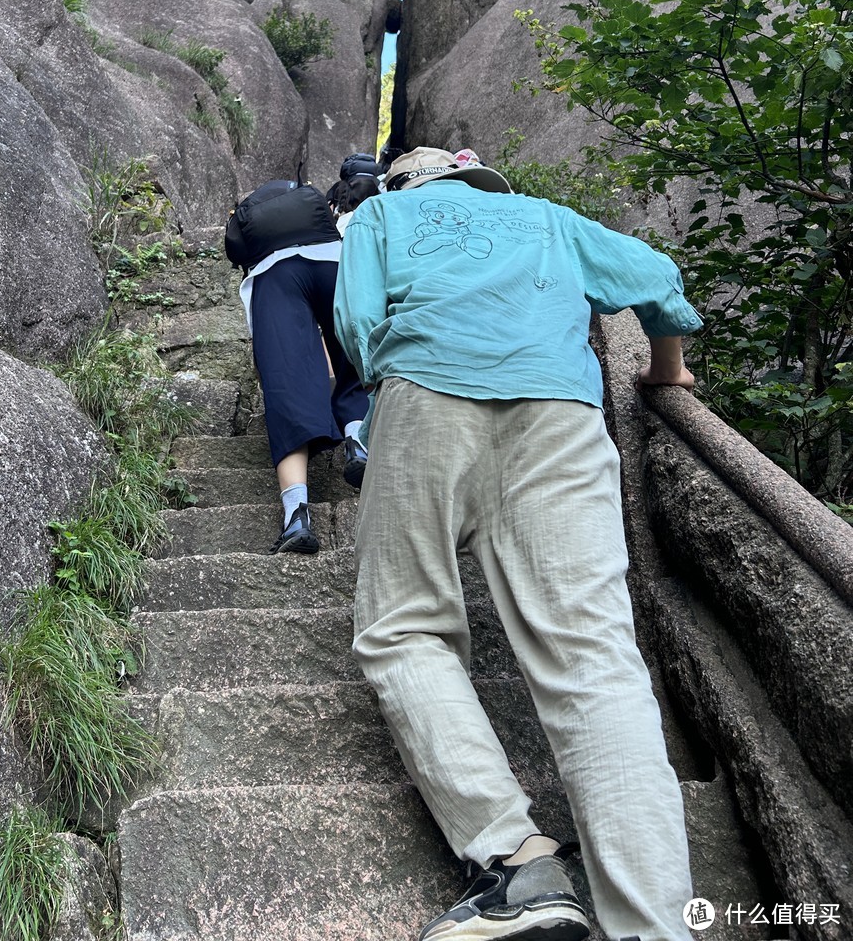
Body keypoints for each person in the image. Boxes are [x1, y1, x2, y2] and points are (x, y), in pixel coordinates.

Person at [333, 146, 701, 941]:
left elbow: (357, 325)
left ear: (405, 184)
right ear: (477, 181)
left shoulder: (379, 215)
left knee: (404, 628)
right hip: (562, 417)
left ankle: (520, 863)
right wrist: (665, 374)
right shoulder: (546, 218)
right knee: (594, 662)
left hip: (426, 396)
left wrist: (397, 376)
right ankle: (657, 924)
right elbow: (656, 278)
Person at [228, 172, 370, 555]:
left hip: (274, 274)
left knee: (286, 383)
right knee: (350, 359)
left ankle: (297, 516)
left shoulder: (259, 238)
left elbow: (271, 366)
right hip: (332, 262)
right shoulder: (312, 210)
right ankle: (358, 441)